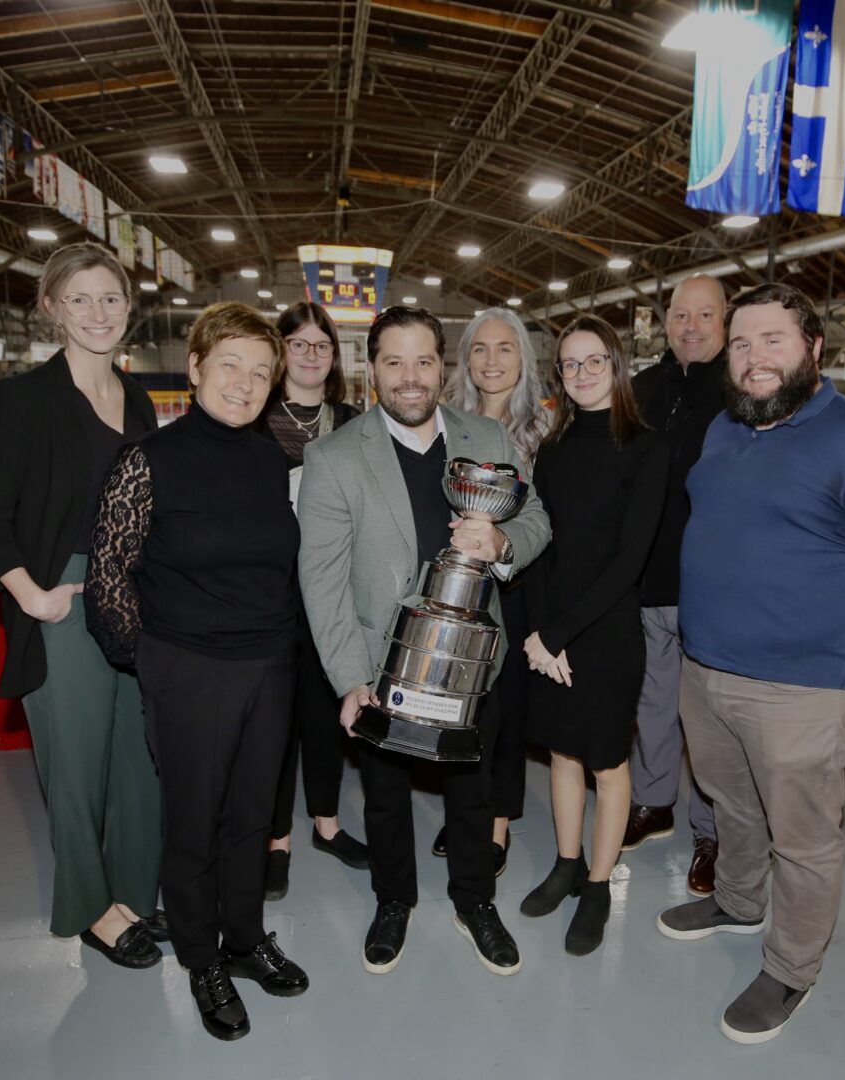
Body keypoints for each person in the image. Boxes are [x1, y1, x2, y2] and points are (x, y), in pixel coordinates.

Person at [659, 283, 845, 1044]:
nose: (754, 359)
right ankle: (737, 899)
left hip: (800, 686)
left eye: (773, 341)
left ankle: (791, 966)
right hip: (707, 667)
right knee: (731, 805)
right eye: (742, 344)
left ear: (815, 348)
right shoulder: (728, 427)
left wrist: (830, 608)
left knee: (805, 835)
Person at [297, 305, 550, 977]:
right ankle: (393, 900)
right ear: (371, 368)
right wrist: (350, 678)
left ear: (443, 365)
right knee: (384, 795)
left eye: (423, 361)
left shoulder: (488, 436)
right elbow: (321, 581)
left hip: (474, 661)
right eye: (394, 362)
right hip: (381, 665)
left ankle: (475, 901)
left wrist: (500, 541)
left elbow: (538, 522)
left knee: (473, 791)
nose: (410, 378)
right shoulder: (333, 457)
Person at [86, 302, 308, 1042]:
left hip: (269, 664)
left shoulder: (271, 457)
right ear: (195, 369)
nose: (245, 385)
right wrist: (150, 659)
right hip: (189, 668)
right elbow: (109, 577)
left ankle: (244, 940)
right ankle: (201, 953)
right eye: (230, 367)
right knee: (195, 824)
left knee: (254, 818)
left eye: (259, 371)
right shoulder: (149, 459)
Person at [0, 241, 162, 970]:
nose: (98, 312)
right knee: (76, 767)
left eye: (110, 297)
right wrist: (34, 598)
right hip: (65, 598)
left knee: (141, 759)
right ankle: (90, 908)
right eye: (79, 298)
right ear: (51, 308)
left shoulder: (137, 399)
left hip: (134, 595)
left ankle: (136, 893)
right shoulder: (24, 399)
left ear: (129, 308)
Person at [519, 315, 669, 956]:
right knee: (562, 753)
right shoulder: (551, 451)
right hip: (550, 631)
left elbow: (628, 561)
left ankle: (601, 883)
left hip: (604, 632)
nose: (581, 374)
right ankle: (567, 861)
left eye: (594, 362)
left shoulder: (647, 446)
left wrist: (557, 634)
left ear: (616, 366)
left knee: (607, 763)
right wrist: (535, 631)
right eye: (570, 365)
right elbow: (543, 548)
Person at [253, 301, 368, 900]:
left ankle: (327, 823)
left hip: (333, 589)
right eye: (297, 343)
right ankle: (277, 841)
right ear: (280, 353)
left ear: (334, 355)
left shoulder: (351, 420)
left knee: (327, 715)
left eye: (320, 344)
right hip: (270, 592)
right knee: (275, 722)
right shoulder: (253, 416)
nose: (309, 353)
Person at [437, 307, 553, 873]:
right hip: (457, 586)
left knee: (502, 712)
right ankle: (462, 808)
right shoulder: (445, 422)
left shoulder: (546, 432)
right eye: (480, 348)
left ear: (523, 359)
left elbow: (550, 523)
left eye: (505, 348)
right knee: (459, 704)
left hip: (517, 587)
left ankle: (497, 822)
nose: (491, 360)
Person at [624, 273, 727, 896]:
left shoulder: (743, 394)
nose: (691, 326)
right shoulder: (638, 391)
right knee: (653, 704)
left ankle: (711, 830)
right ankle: (653, 801)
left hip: (714, 588)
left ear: (724, 321)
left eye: (705, 315)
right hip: (648, 579)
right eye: (681, 315)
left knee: (709, 719)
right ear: (665, 320)